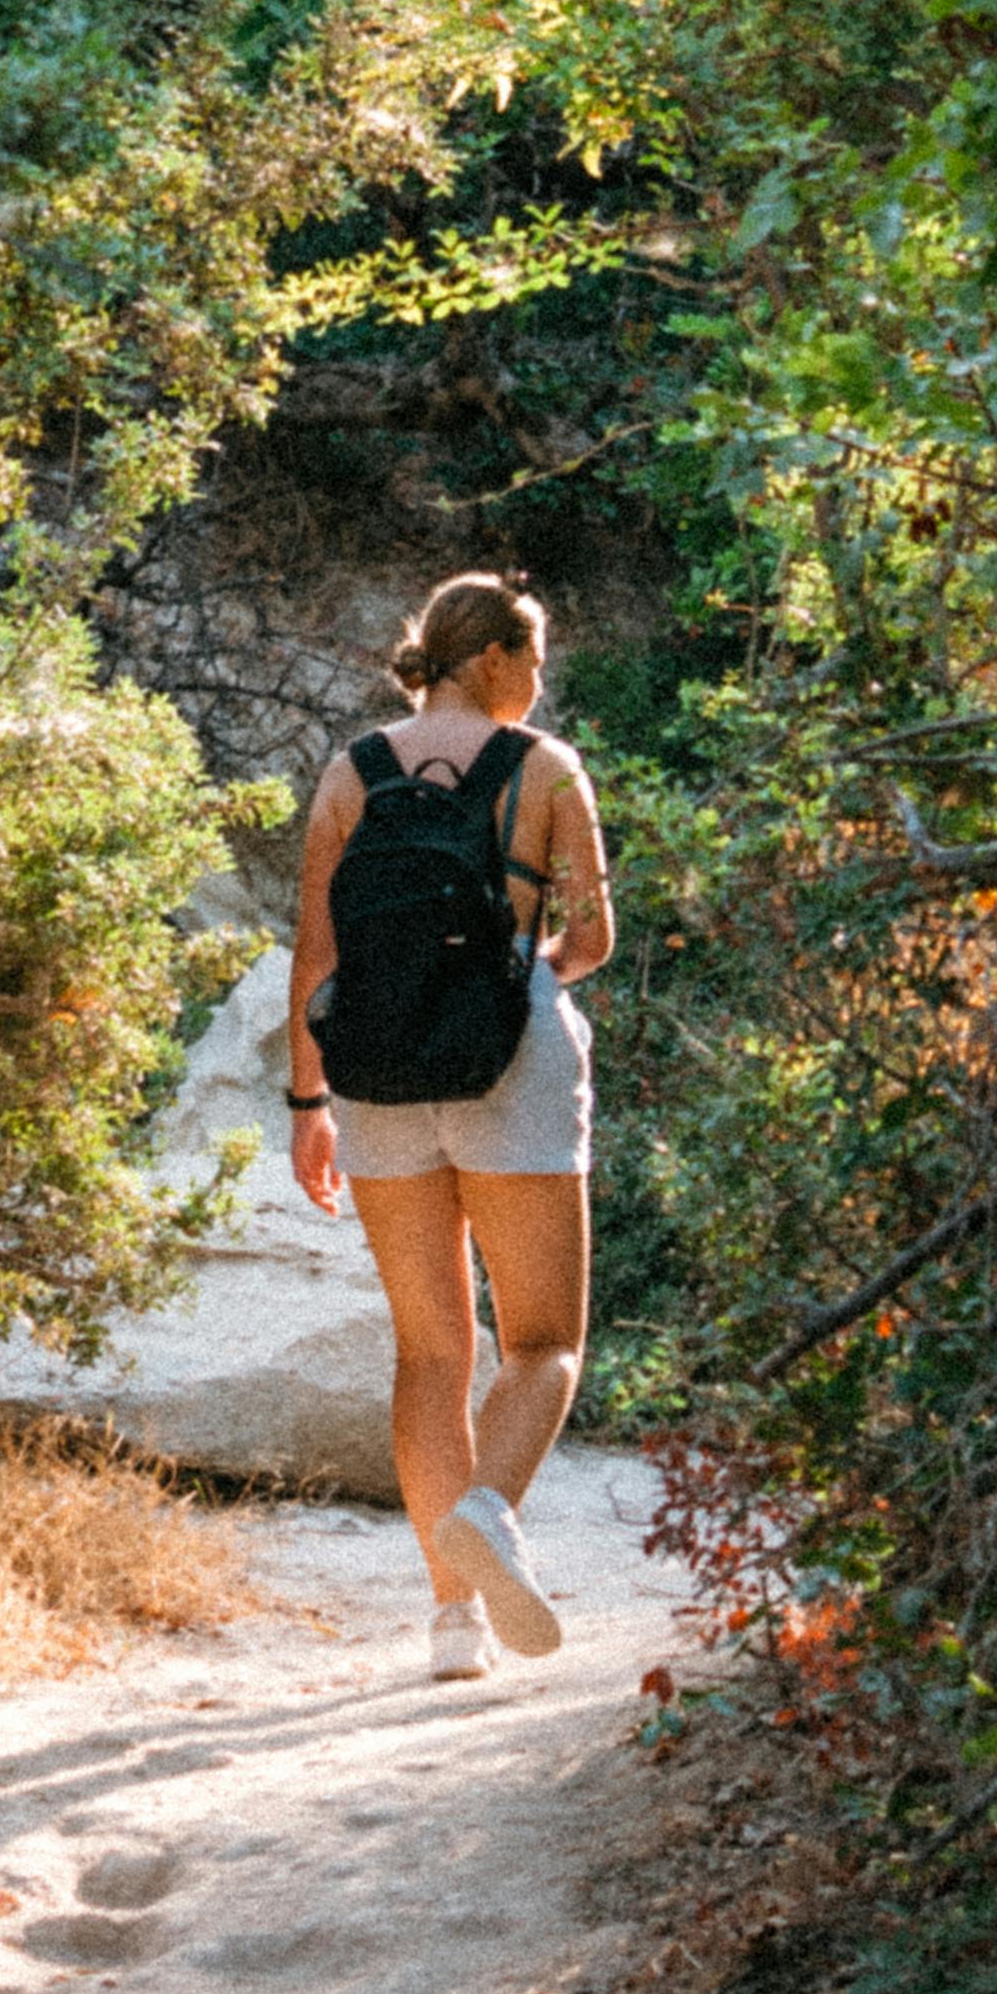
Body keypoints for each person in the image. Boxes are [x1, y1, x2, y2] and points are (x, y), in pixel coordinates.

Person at [283, 569, 616, 1683]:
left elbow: (316, 960)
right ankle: (489, 1510)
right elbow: (591, 935)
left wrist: (304, 1104)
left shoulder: (351, 771)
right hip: (507, 1061)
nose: (539, 679)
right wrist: (533, 984)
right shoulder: (546, 769)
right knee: (544, 1345)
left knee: (431, 1352)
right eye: (532, 656)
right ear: (491, 659)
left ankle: (452, 1627)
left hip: (373, 1073)